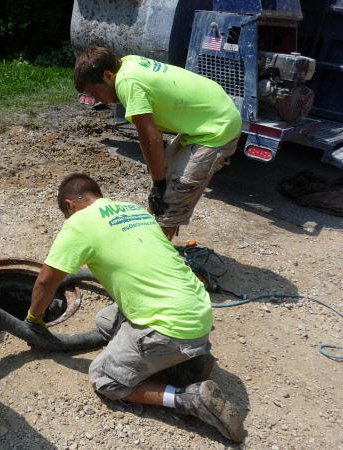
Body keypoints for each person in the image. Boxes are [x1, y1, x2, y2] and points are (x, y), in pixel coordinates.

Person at [25, 173, 244, 442]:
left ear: (69, 204)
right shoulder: (133, 209)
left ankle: (188, 399)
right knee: (106, 320)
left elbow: (46, 282)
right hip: (197, 311)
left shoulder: (79, 223)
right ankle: (186, 364)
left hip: (172, 329)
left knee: (104, 378)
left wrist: (33, 318)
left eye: (66, 214)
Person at [74, 46, 242, 241]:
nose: (96, 100)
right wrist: (158, 180)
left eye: (95, 92)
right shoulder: (128, 62)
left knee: (175, 191)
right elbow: (154, 127)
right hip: (206, 119)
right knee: (163, 173)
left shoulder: (127, 83)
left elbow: (150, 138)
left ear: (108, 75)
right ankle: (146, 237)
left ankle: (157, 255)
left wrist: (159, 183)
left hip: (218, 128)